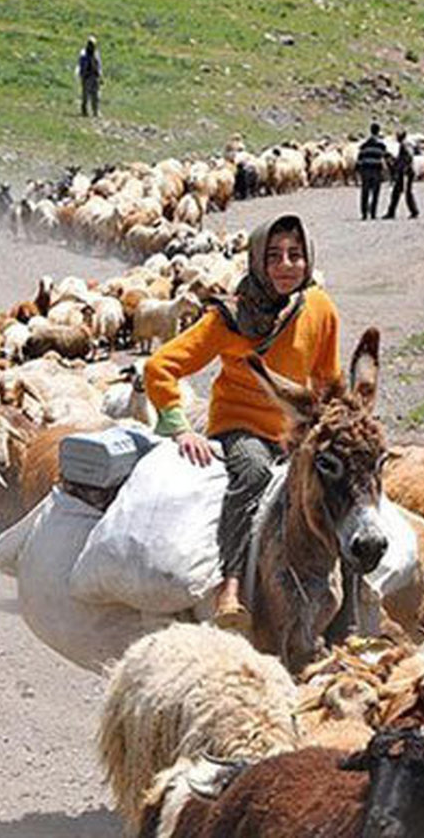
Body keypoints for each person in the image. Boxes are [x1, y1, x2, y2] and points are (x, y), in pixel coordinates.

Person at [145, 214, 340, 632]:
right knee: (251, 473)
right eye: (274, 256)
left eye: (295, 255)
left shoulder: (320, 308)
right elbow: (161, 366)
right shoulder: (229, 318)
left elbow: (327, 378)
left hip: (294, 431)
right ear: (256, 261)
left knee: (345, 483)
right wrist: (179, 427)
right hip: (241, 427)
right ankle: (230, 585)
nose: (286, 265)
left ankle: (353, 612)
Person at [356, 122, 388, 220]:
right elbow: (385, 157)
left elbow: (359, 160)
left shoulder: (364, 145)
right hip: (376, 171)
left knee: (365, 192)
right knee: (375, 192)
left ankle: (364, 213)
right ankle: (373, 213)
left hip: (365, 171)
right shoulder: (381, 145)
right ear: (378, 131)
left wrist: (358, 173)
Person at [385, 129, 419, 220]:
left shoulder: (404, 145)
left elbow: (407, 157)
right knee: (398, 192)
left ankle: (413, 211)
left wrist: (403, 168)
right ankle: (392, 212)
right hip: (404, 171)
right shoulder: (405, 145)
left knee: (405, 192)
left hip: (405, 172)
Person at [77, 36, 102, 117]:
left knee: (96, 95)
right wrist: (82, 75)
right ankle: (84, 111)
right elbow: (81, 65)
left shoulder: (96, 54)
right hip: (87, 76)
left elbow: (99, 65)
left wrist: (100, 75)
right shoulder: (84, 54)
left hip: (95, 77)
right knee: (85, 95)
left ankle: (96, 111)